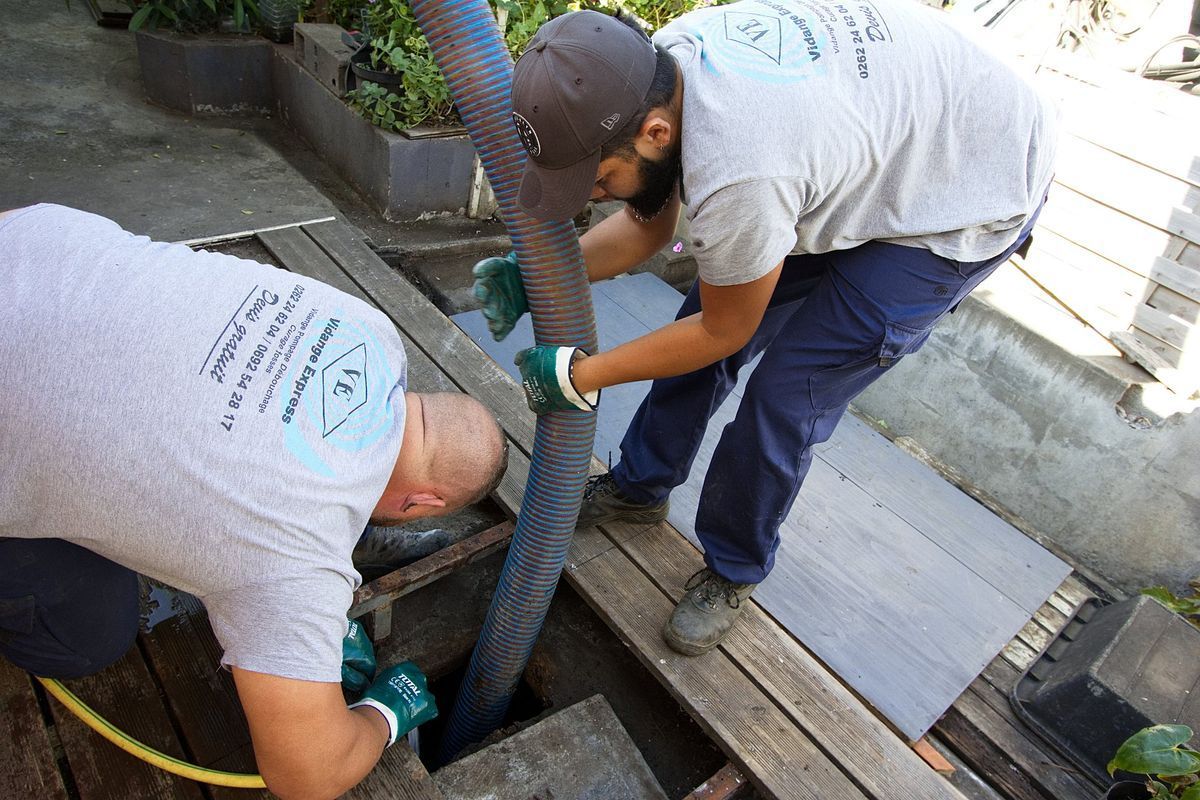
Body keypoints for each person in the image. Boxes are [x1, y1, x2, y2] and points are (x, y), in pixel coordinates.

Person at [473, 1, 1056, 657]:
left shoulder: (743, 167)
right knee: (700, 326)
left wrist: (581, 377)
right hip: (882, 142)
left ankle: (733, 567)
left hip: (963, 192)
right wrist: (535, 277)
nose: (596, 195)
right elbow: (648, 219)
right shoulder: (654, 71)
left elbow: (724, 330)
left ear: (655, 133)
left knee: (786, 394)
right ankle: (640, 489)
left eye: (600, 178)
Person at [0, 204, 508, 799]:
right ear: (422, 501)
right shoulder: (299, 561)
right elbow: (307, 776)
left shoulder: (363, 325)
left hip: (31, 237)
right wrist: (384, 713)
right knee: (88, 636)